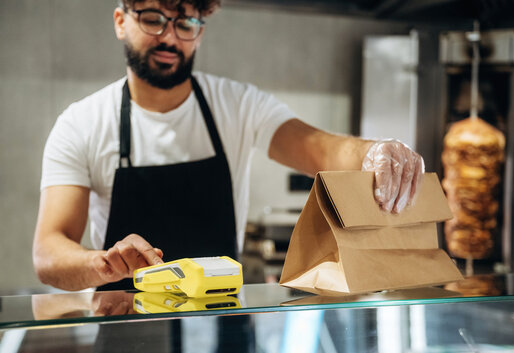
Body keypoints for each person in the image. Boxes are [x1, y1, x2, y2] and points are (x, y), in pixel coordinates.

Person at [32, 0, 424, 291]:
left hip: (222, 330)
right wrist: (102, 264)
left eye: (186, 22)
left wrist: (374, 152)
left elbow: (318, 148)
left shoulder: (238, 105)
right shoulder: (81, 124)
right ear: (121, 21)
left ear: (200, 31)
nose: (170, 37)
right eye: (154, 19)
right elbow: (49, 252)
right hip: (125, 335)